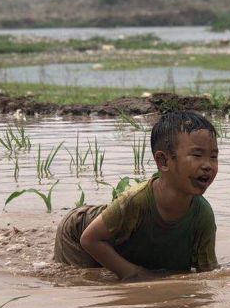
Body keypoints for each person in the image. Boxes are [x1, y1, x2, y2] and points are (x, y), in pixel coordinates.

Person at [53, 110, 218, 280]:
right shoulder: (136, 200)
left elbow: (207, 274)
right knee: (84, 284)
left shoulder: (203, 215)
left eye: (214, 156)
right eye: (197, 155)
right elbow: (89, 239)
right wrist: (132, 273)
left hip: (120, 238)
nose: (208, 165)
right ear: (163, 161)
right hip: (79, 232)